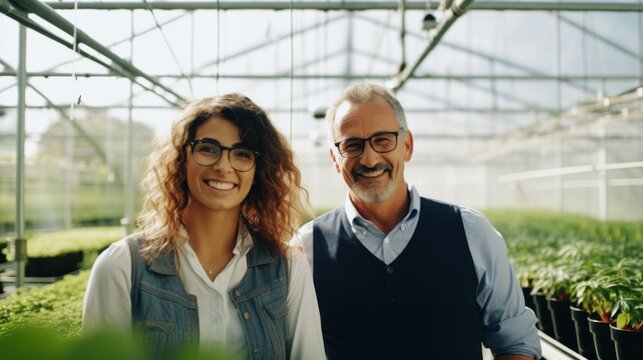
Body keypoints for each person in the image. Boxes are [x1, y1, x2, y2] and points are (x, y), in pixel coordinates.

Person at [293, 83, 542, 360]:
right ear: (335, 159)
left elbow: (516, 344)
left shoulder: (471, 233)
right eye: (352, 145)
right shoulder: (307, 248)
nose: (370, 158)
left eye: (383, 140)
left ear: (407, 146)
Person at [83, 93, 326, 360]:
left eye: (242, 154)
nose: (223, 166)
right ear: (182, 159)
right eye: (208, 149)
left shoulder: (289, 266)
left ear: (258, 170)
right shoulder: (121, 267)